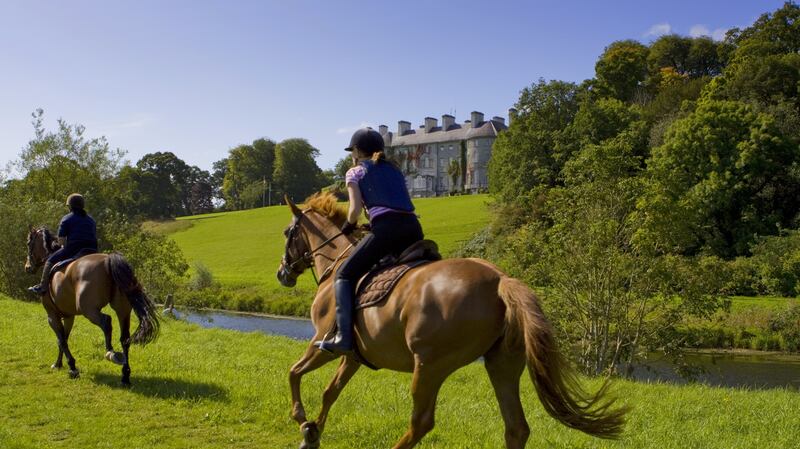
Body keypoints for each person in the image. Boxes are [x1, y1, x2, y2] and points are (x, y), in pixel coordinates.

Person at [314, 128, 424, 354]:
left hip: (387, 230)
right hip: (413, 228)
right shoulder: (394, 169)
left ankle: (343, 338)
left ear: (356, 151)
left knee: (344, 274)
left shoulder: (355, 172)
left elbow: (354, 210)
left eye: (351, 151)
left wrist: (350, 224)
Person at [28, 193, 98, 295]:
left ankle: (42, 287)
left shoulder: (67, 218)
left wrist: (61, 245)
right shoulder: (91, 220)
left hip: (74, 249)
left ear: (70, 206)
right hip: (92, 250)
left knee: (49, 261)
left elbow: (61, 241)